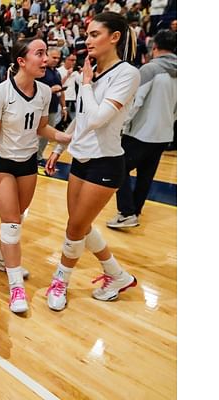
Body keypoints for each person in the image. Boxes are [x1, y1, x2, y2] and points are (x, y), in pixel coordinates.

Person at [44, 12, 141, 311]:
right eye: (87, 34)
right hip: (81, 160)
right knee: (80, 226)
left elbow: (99, 120)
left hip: (106, 163)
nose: (88, 39)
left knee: (75, 228)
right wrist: (59, 149)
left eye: (95, 34)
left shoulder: (127, 73)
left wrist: (85, 84)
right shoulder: (94, 72)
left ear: (115, 37)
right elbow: (83, 118)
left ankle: (61, 280)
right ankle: (117, 275)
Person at [0, 37, 72, 314]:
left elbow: (42, 128)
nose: (46, 59)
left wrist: (62, 137)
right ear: (21, 61)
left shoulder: (45, 92)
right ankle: (15, 288)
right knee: (10, 223)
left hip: (27, 163)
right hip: (3, 165)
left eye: (46, 54)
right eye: (40, 53)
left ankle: (1, 259)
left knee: (17, 219)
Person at [107, 29, 176, 229]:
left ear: (154, 47)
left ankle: (127, 212)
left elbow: (135, 103)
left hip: (141, 133)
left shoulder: (150, 69)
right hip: (164, 134)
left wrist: (122, 124)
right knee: (146, 175)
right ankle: (134, 212)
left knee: (118, 167)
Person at [36, 47, 66, 165]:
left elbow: (61, 91)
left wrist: (63, 107)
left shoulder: (56, 72)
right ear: (47, 56)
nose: (56, 60)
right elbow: (33, 88)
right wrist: (50, 90)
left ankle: (38, 156)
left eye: (58, 58)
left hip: (52, 108)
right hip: (40, 108)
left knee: (46, 136)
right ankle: (32, 157)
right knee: (37, 134)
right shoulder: (40, 71)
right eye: (54, 57)